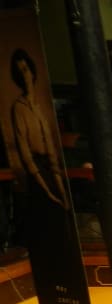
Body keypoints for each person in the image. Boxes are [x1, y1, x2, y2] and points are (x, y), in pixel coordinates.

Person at [10, 48, 69, 210]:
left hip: (51, 168)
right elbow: (25, 152)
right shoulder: (18, 108)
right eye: (19, 71)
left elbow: (50, 146)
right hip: (37, 172)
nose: (24, 75)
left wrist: (61, 191)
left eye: (25, 69)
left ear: (32, 71)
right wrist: (47, 191)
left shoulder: (41, 105)